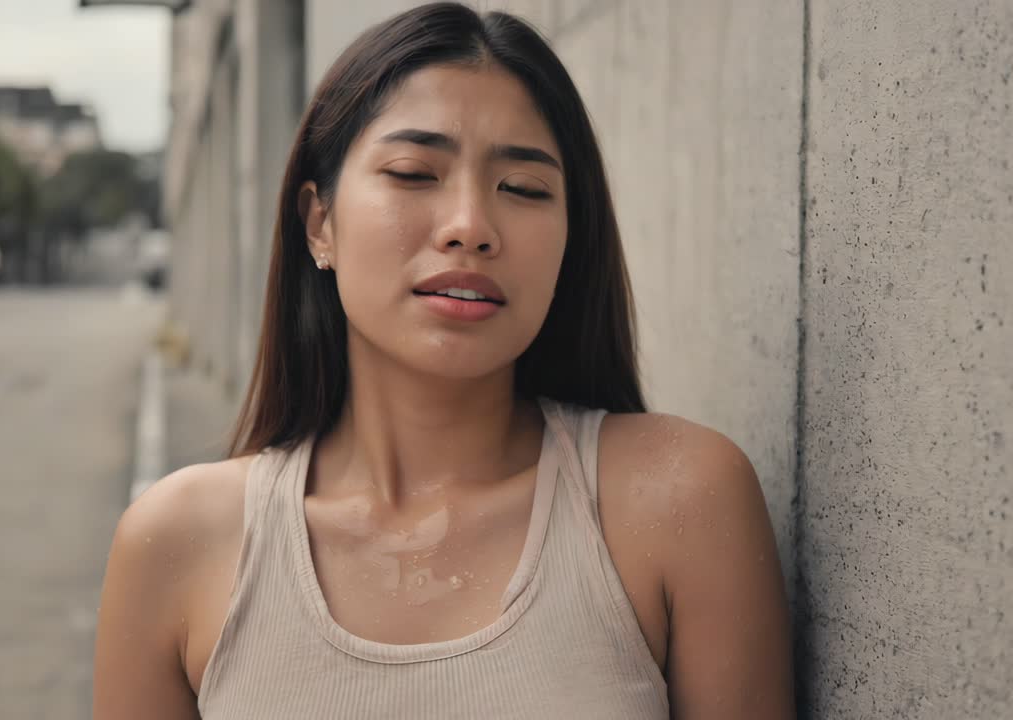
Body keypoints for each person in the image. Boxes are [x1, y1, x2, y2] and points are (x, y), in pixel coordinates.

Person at [92, 3, 794, 718]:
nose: (470, 227)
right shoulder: (176, 543)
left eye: (522, 189)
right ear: (319, 223)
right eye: (412, 173)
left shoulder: (681, 501)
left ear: (569, 240)